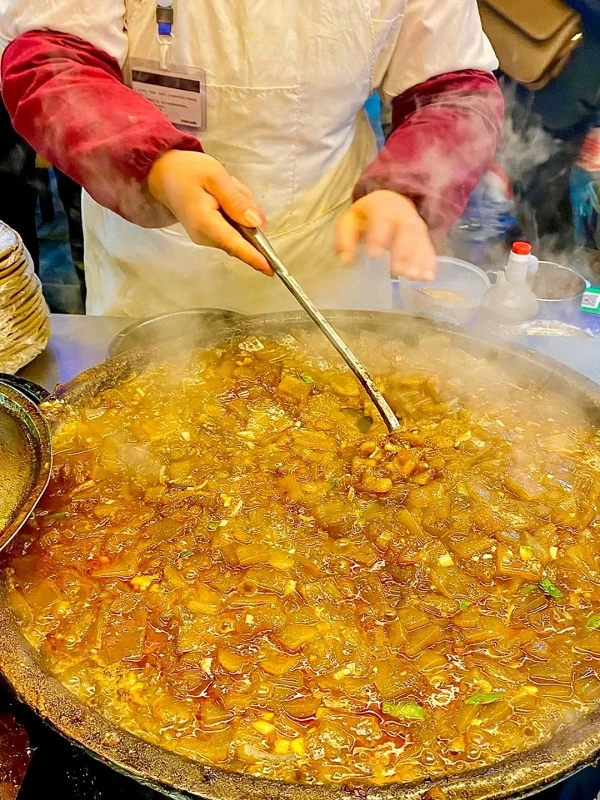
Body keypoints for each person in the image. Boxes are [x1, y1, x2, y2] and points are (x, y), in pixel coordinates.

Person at [0, 1, 503, 317]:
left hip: (329, 251)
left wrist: (409, 187)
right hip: (158, 257)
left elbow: (455, 90)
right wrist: (154, 162)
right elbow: (51, 61)